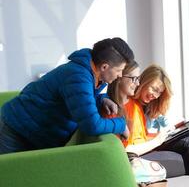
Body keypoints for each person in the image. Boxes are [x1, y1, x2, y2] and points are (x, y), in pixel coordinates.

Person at [0, 37, 134, 154]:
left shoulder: (91, 74)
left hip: (32, 132)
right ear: (104, 67)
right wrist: (121, 124)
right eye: (119, 70)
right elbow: (92, 125)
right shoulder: (78, 77)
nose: (120, 75)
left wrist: (102, 99)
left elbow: (77, 99)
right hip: (16, 130)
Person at [107, 64, 189, 187]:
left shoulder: (136, 105)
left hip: (143, 152)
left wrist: (165, 134)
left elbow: (139, 137)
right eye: (153, 89)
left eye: (159, 92)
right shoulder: (119, 107)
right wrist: (157, 141)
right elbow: (124, 149)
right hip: (134, 159)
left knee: (188, 137)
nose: (155, 95)